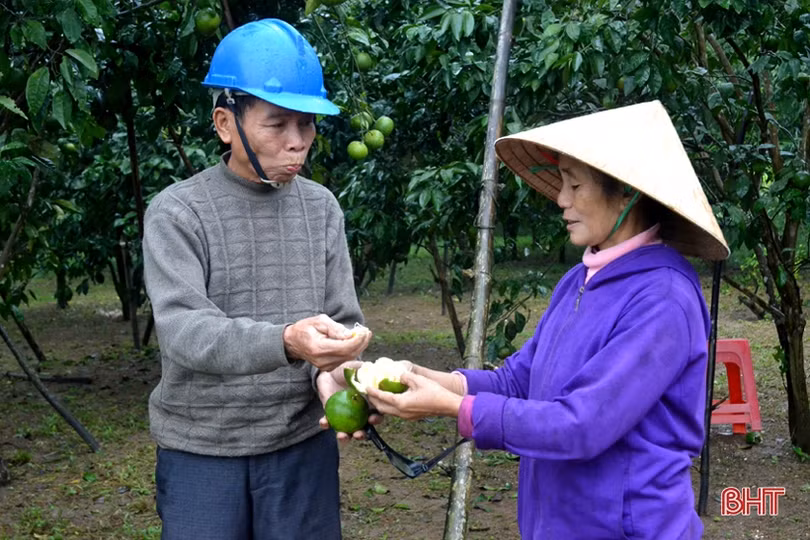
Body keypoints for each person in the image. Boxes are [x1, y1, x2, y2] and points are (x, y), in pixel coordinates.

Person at [366, 101, 729, 539]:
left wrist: (451, 407)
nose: (561, 199)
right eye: (561, 183)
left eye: (575, 184)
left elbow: (582, 425)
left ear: (627, 193)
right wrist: (423, 378)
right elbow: (518, 381)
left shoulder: (663, 298)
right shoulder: (579, 280)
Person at [142, 19, 373, 540]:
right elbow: (184, 330)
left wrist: (337, 371)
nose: (298, 143)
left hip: (300, 450)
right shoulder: (179, 212)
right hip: (203, 451)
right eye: (277, 124)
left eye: (307, 124)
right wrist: (287, 342)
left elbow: (341, 317)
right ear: (226, 123)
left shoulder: (321, 208)